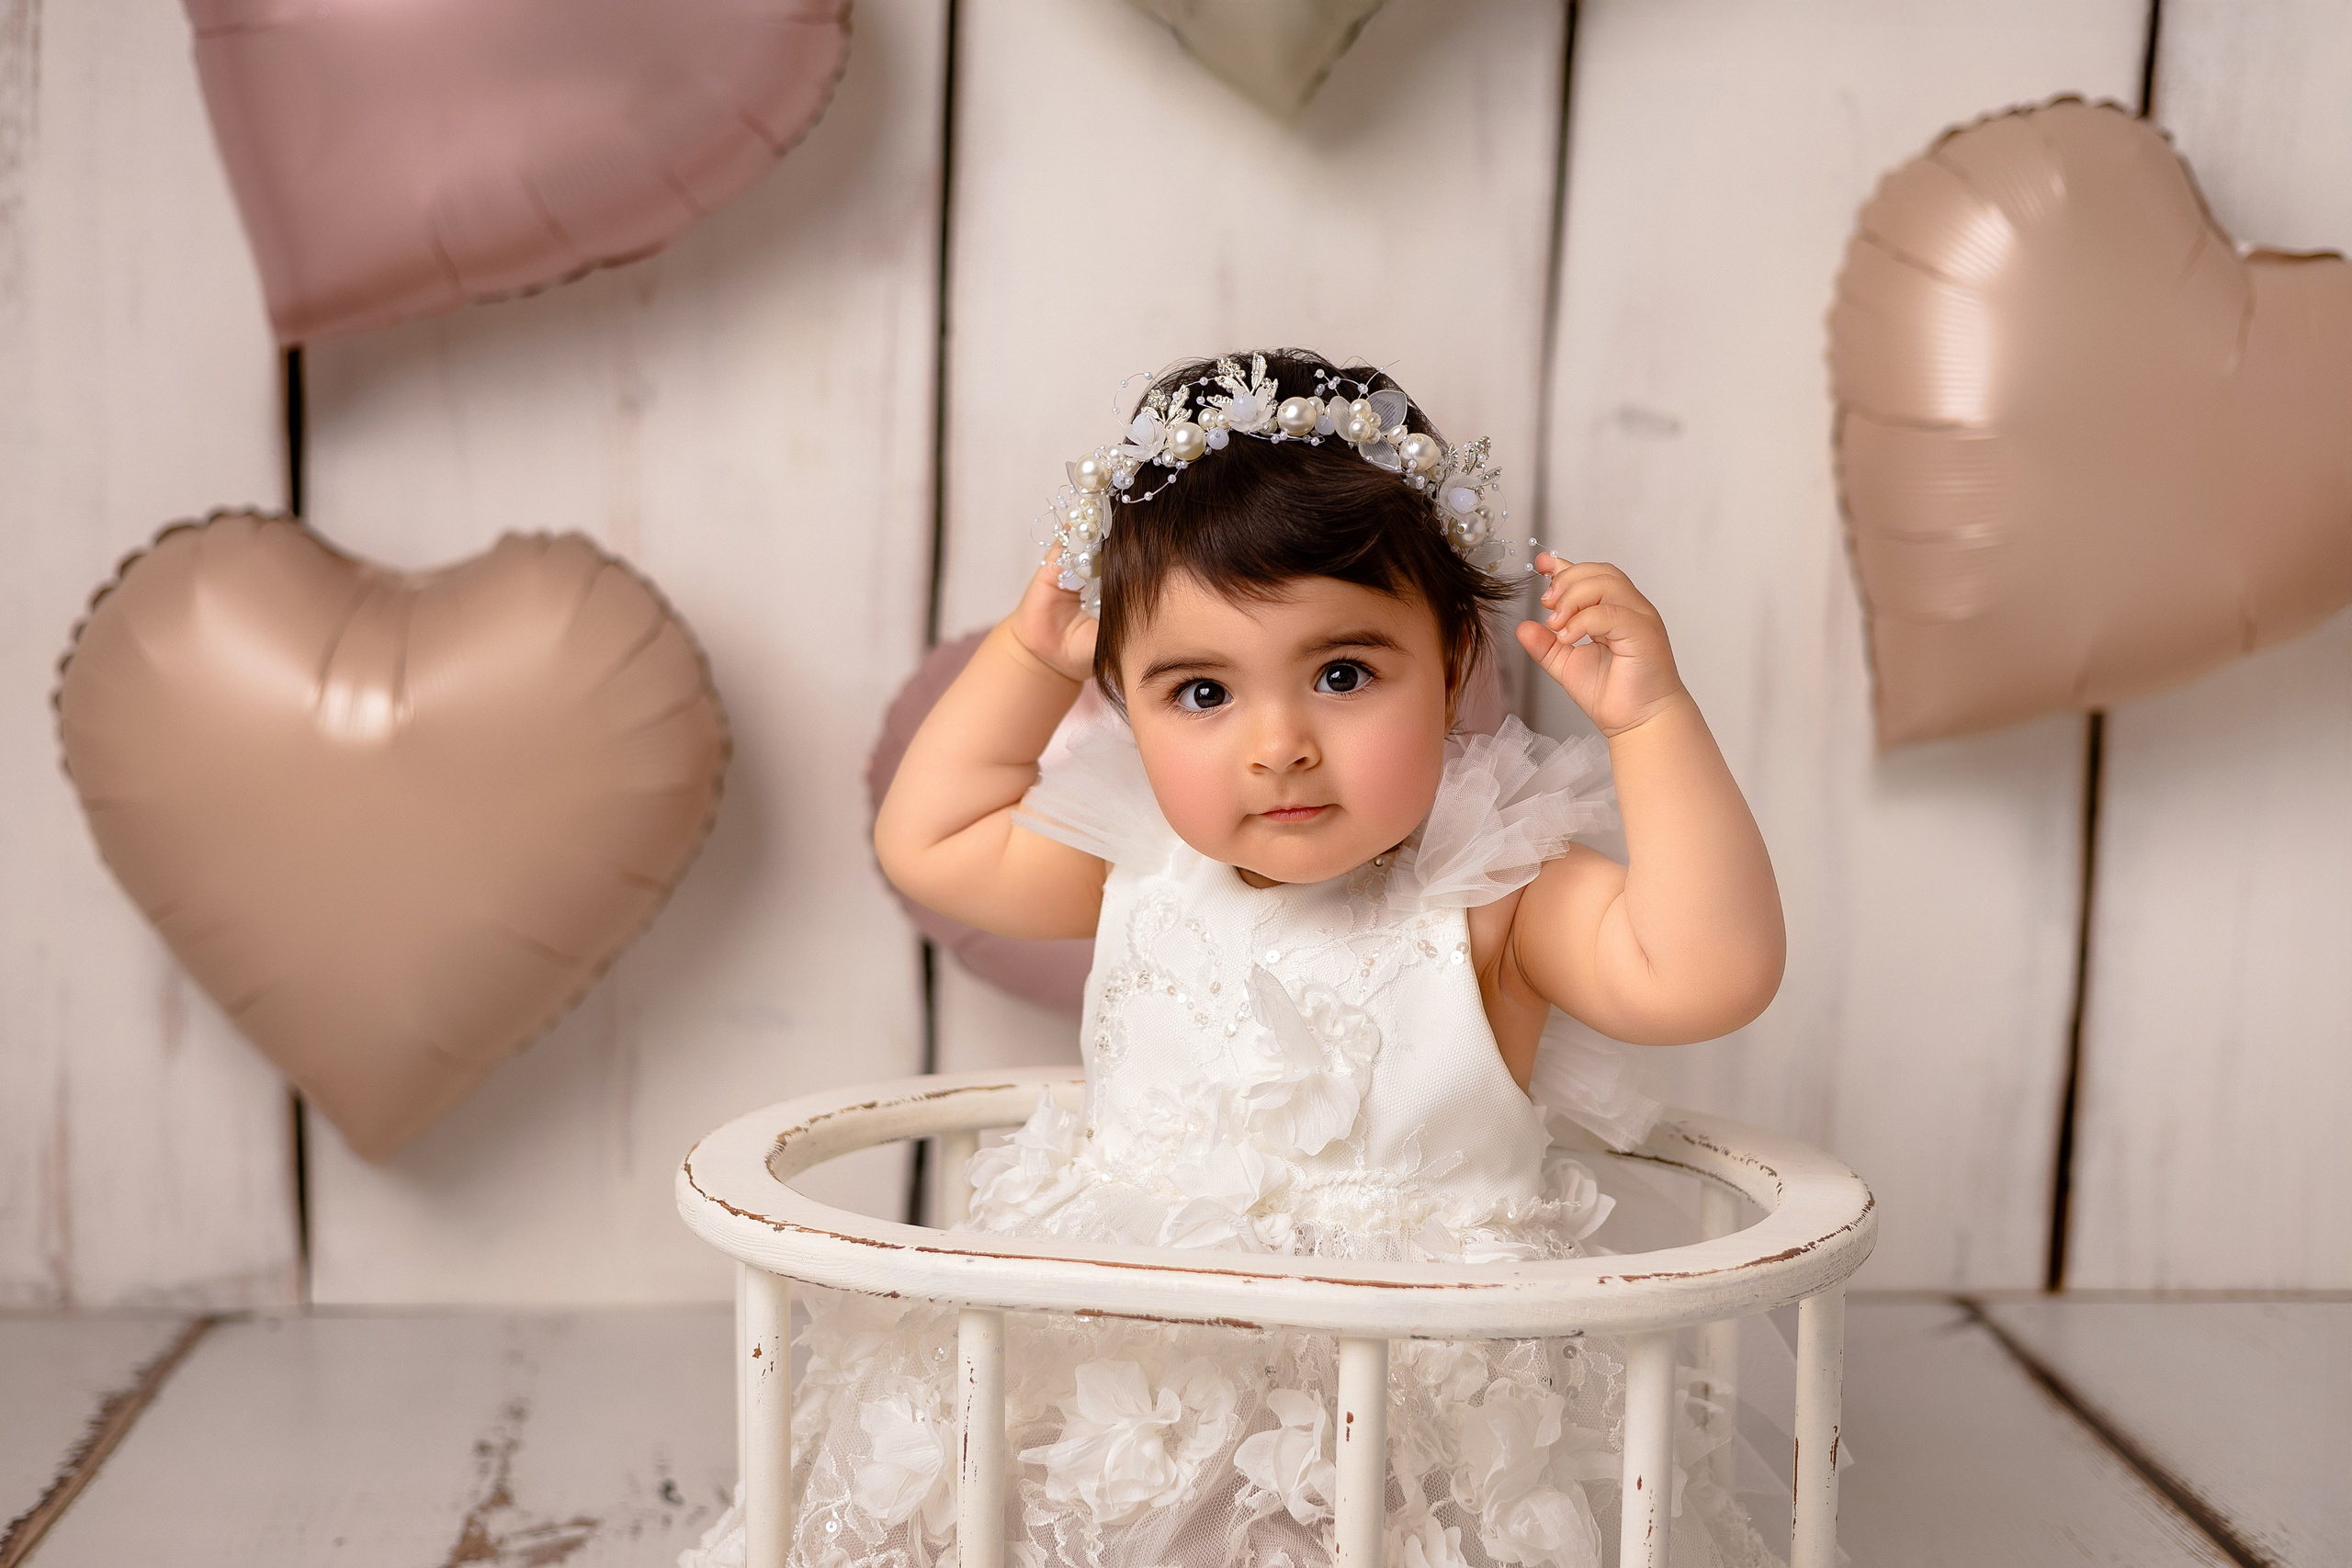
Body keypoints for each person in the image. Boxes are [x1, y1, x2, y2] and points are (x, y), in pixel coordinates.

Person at [687, 349, 1787, 1568]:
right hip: (1123, 1379)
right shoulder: (1141, 860)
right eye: (1202, 691)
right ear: (1122, 703)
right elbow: (930, 841)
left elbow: (1705, 971)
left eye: (1342, 674)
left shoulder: (1495, 894)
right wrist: (1030, 656)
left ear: (1454, 670)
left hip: (1405, 1416)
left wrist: (1652, 724)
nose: (1279, 745)